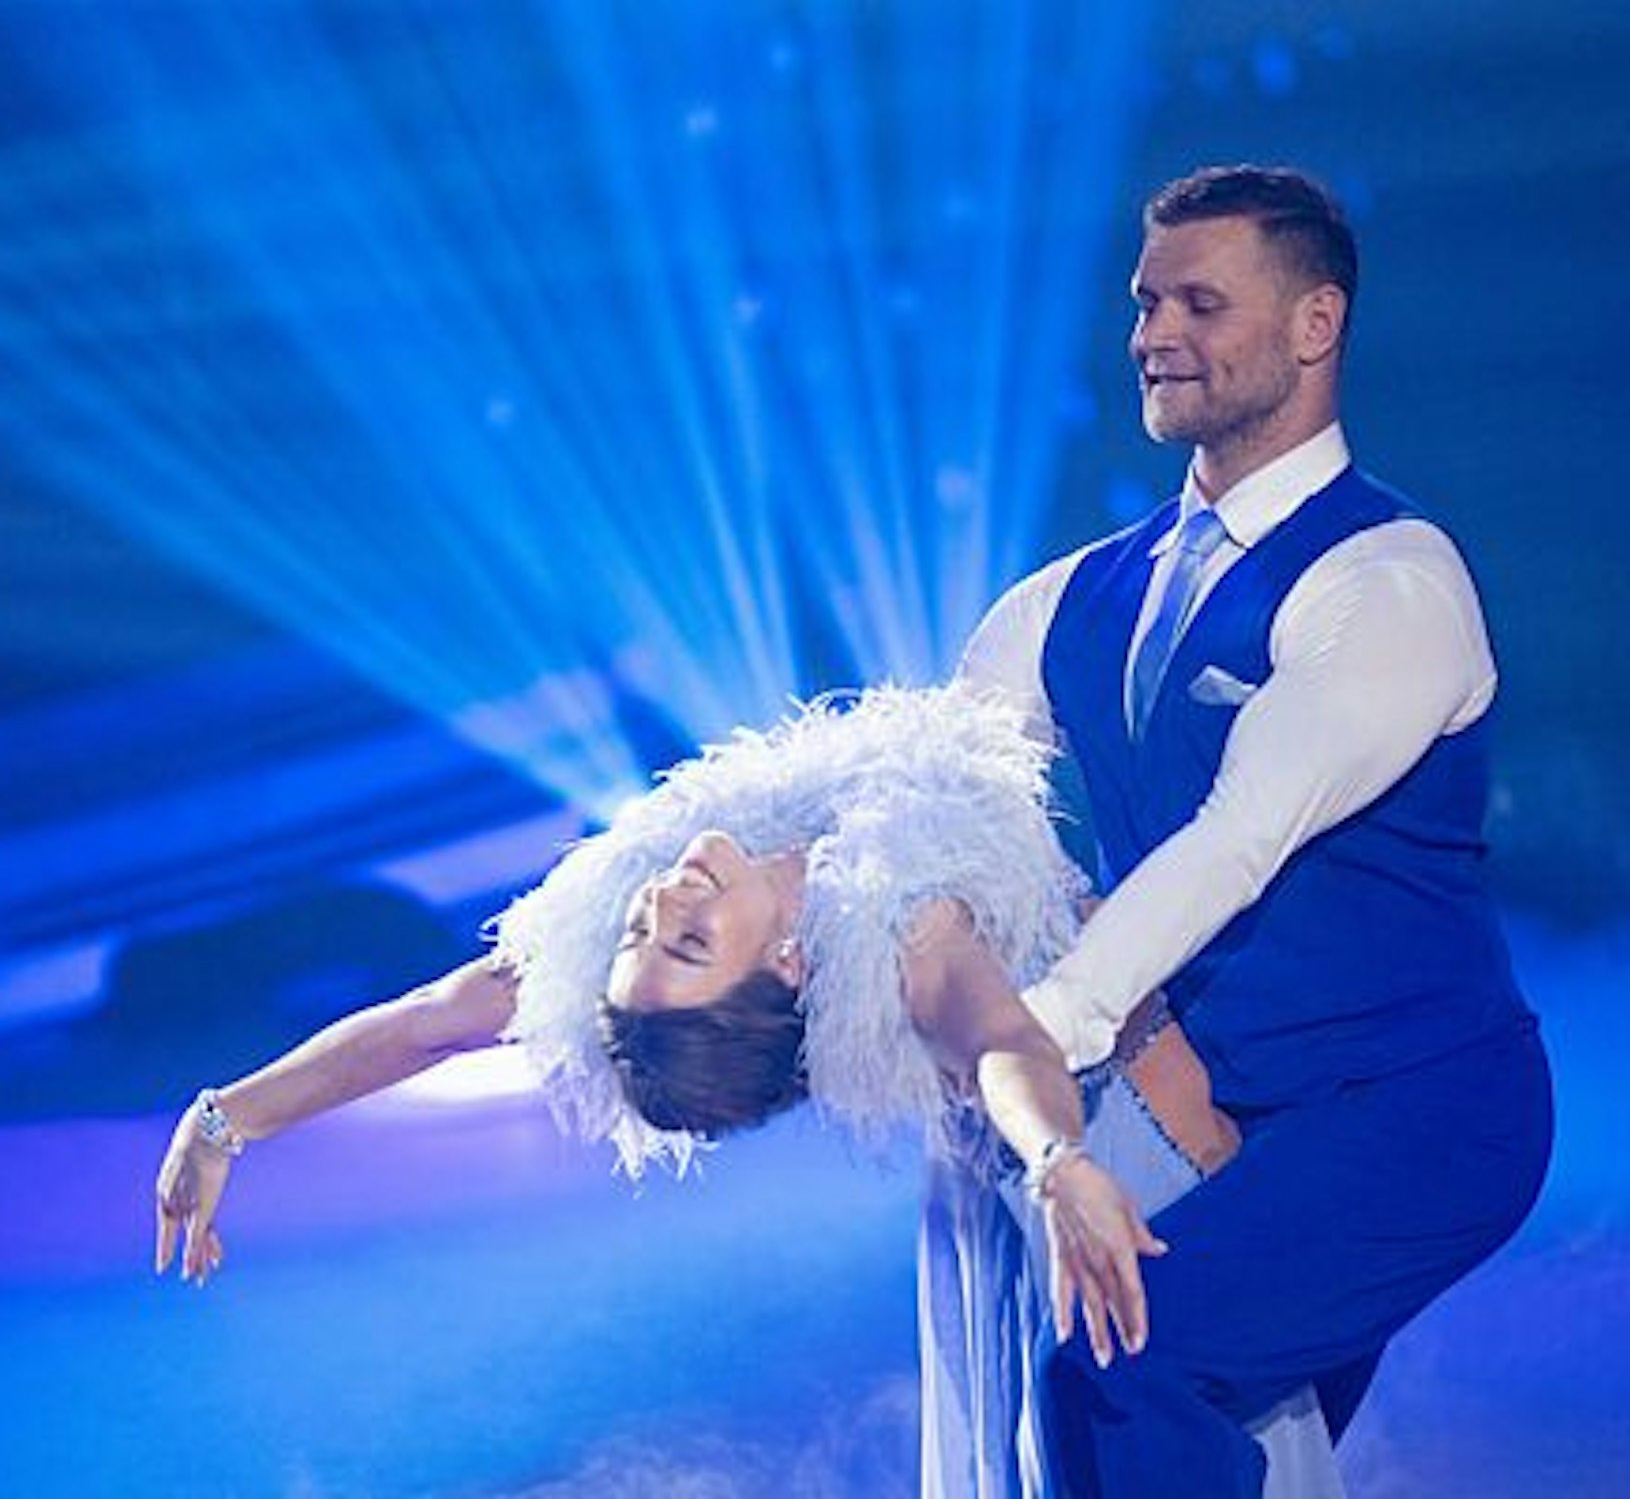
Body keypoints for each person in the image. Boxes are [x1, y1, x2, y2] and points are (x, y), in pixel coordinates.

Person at [151, 684, 1338, 1498]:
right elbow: (1000, 1042)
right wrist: (1058, 1161)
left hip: (1091, 1175)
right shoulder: (902, 922)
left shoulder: (777, 845)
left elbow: (429, 1020)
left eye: (644, 932)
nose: (661, 903)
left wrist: (226, 1117)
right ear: (783, 968)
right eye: (685, 943)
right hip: (1096, 1171)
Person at [958, 164, 1555, 1495]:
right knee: (1214, 1434)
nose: (1152, 335)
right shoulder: (1071, 598)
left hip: (1417, 1116)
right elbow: (925, 792)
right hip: (1210, 1118)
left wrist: (1045, 1027)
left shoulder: (1388, 578)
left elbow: (1240, 835)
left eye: (1199, 303)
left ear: (1313, 323)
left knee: (1131, 1365)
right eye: (1144, 302)